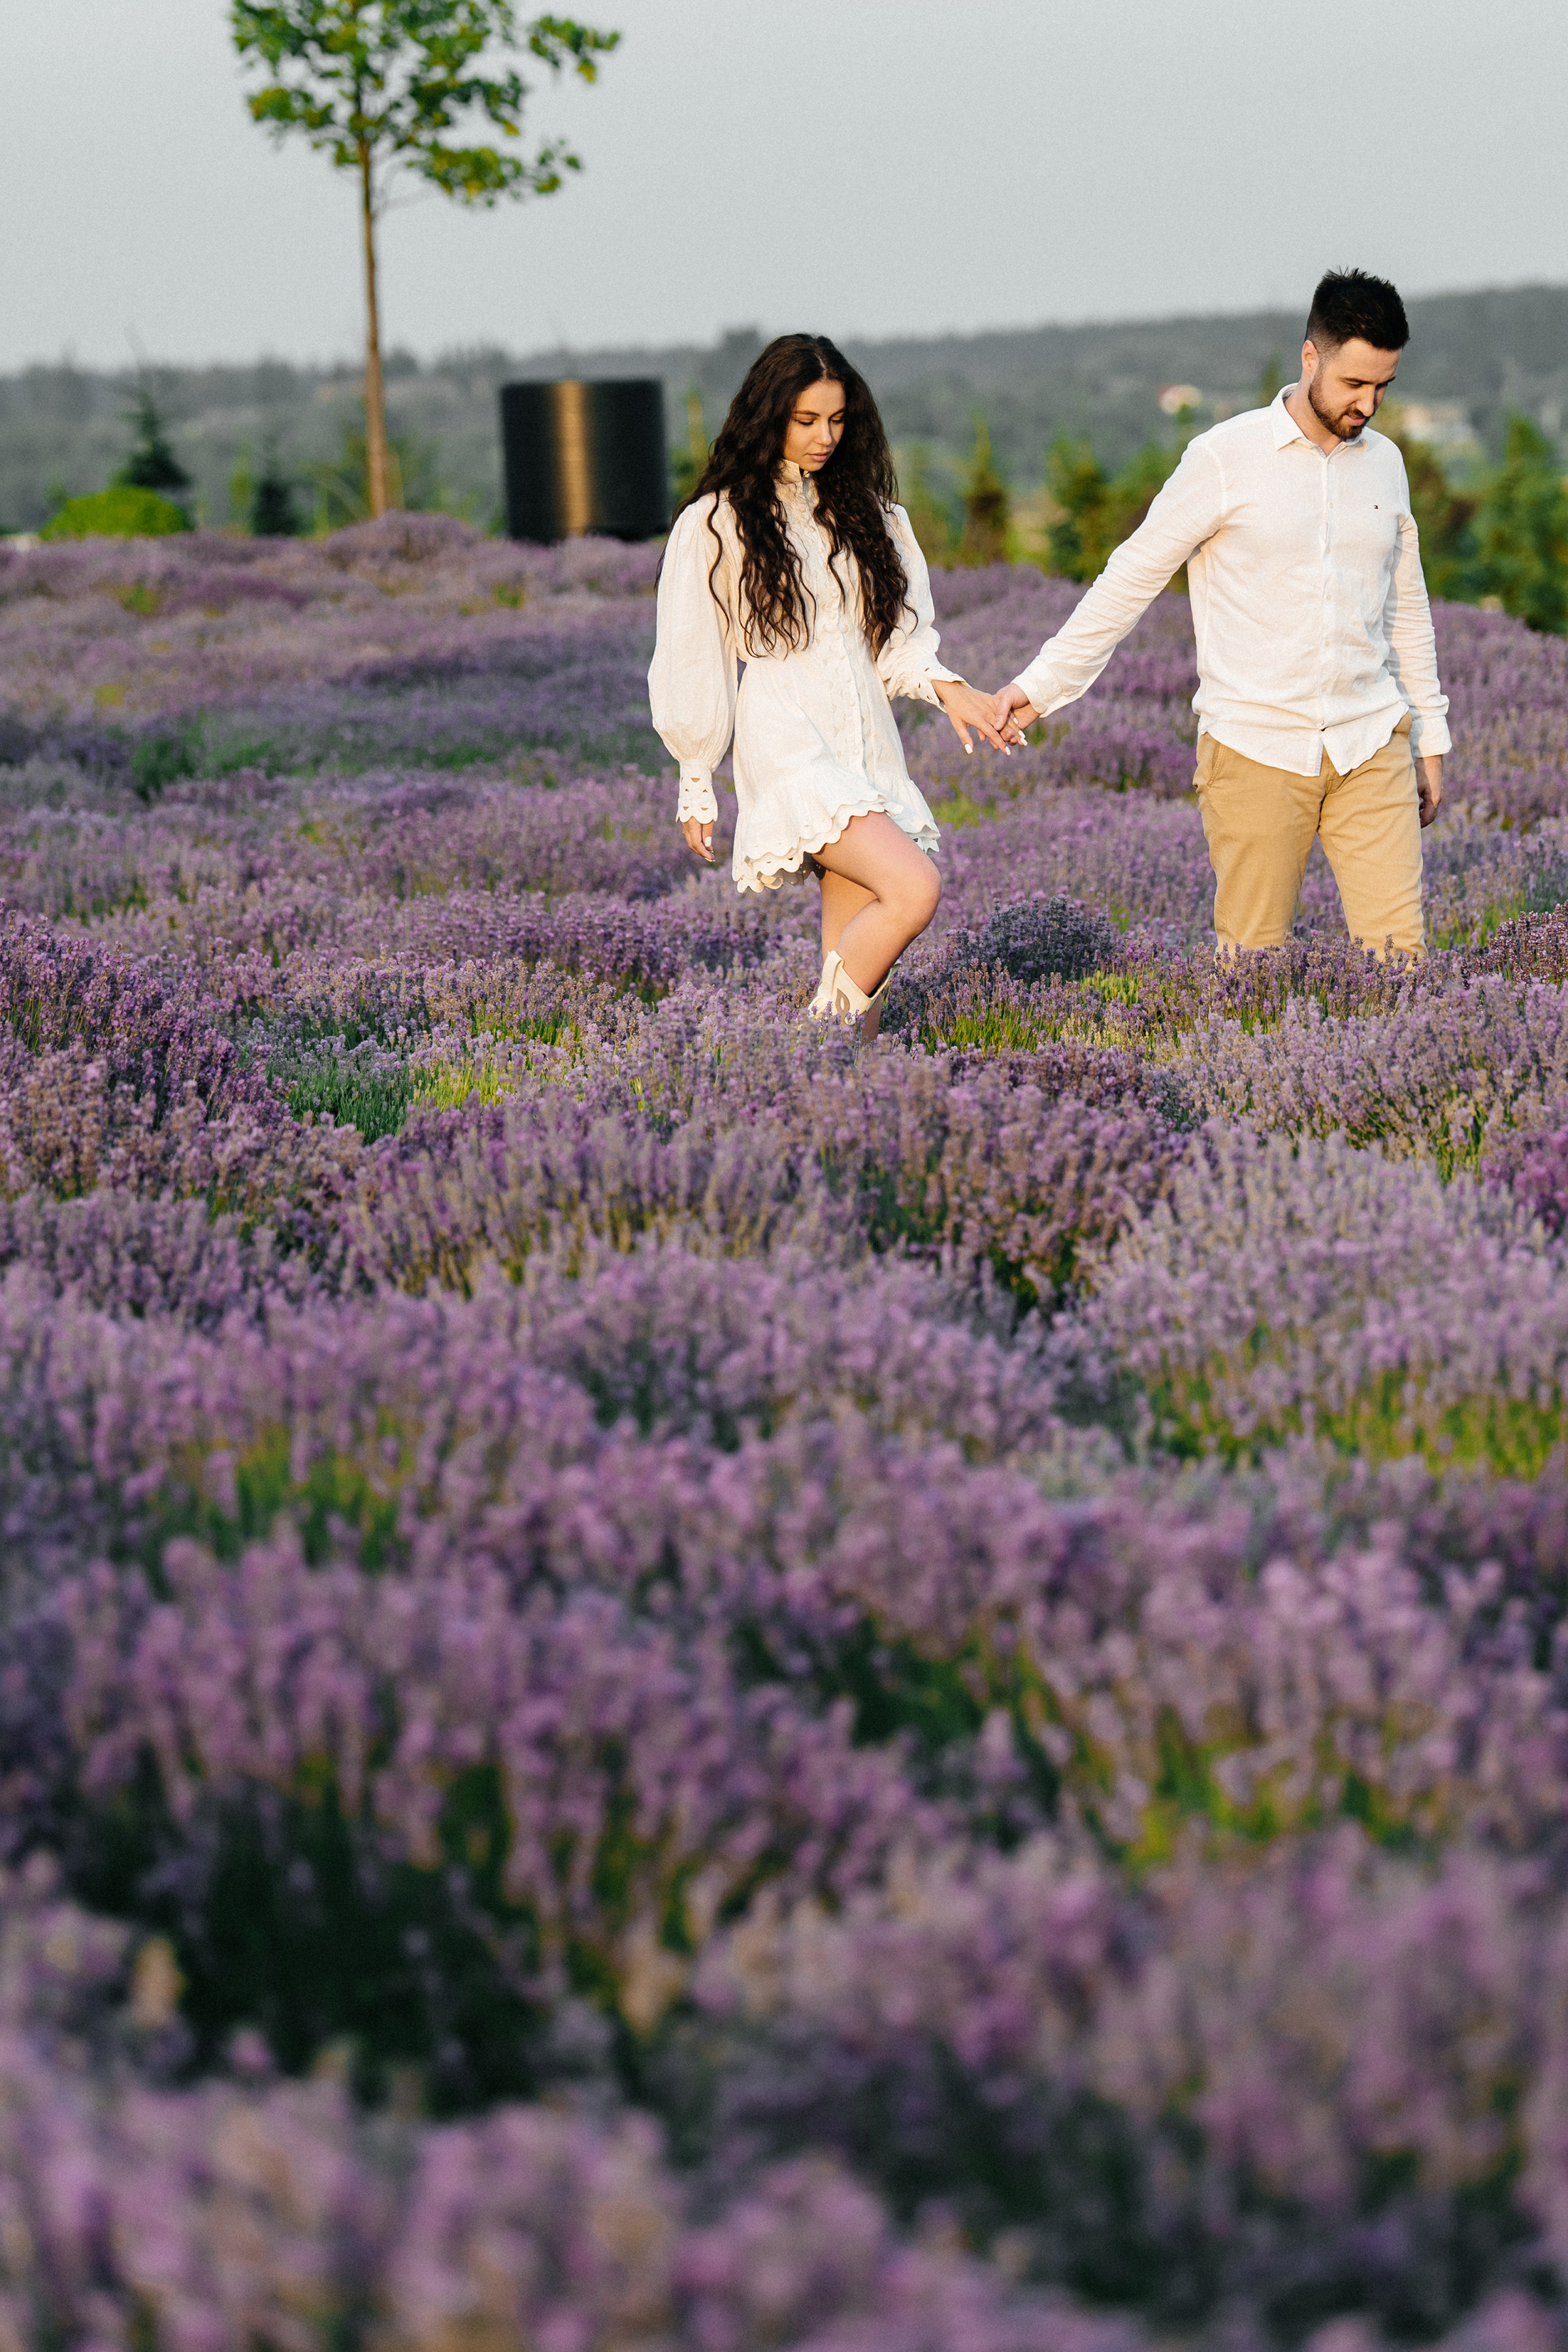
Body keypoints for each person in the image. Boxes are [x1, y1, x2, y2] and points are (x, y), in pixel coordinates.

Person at [990, 269, 1452, 958]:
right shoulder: (1224, 458)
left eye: (1383, 386)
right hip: (1255, 748)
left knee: (1402, 962)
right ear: (1311, 357)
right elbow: (1132, 577)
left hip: (1371, 739)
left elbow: (1404, 605)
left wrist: (1430, 737)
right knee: (1252, 968)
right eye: (1354, 383)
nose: (1368, 404)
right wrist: (1042, 686)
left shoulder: (1386, 463)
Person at [649, 333, 1012, 1035]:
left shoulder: (873, 517)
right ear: (768, 416)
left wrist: (951, 689)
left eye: (838, 420)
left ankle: (839, 1080)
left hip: (865, 741)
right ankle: (807, 1049)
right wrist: (696, 773)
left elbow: (897, 643)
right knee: (913, 889)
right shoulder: (717, 522)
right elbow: (692, 654)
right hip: (787, 734)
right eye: (806, 420)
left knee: (852, 951)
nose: (825, 437)